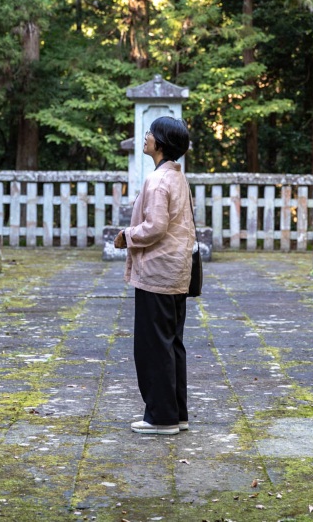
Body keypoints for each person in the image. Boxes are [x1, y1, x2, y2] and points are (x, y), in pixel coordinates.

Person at [114, 116, 196, 436]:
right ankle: (176, 413)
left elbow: (155, 228)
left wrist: (126, 234)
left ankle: (161, 418)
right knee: (172, 343)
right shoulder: (178, 178)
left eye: (150, 133)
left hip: (158, 272)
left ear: (160, 143)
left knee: (152, 347)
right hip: (176, 271)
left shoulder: (158, 181)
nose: (145, 137)